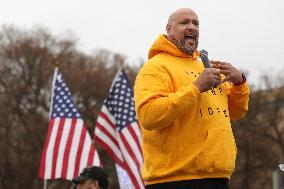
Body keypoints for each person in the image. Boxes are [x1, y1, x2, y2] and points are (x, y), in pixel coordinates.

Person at [134, 7, 250, 189]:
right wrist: (195, 88)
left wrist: (239, 83)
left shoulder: (207, 68)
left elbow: (236, 112)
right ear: (169, 29)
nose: (192, 27)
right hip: (174, 180)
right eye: (184, 22)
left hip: (217, 177)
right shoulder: (155, 67)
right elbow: (149, 115)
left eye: (196, 23)